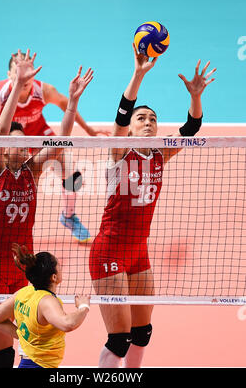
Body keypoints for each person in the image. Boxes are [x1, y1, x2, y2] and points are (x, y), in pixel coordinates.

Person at [89, 44, 216, 368]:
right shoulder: (119, 153)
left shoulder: (160, 155)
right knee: (119, 340)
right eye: (141, 118)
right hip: (109, 252)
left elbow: (191, 129)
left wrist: (196, 96)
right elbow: (120, 114)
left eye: (153, 119)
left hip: (138, 252)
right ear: (130, 127)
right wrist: (138, 73)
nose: (148, 122)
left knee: (142, 332)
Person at [0, 49, 93, 368]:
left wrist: (73, 101)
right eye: (12, 142)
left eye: (24, 142)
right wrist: (18, 84)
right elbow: (2, 128)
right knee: (5, 350)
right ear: (2, 146)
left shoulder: (32, 171)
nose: (20, 146)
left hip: (23, 265)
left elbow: (60, 141)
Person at [0, 51, 106, 241]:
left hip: (36, 137)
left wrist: (89, 130)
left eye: (28, 71)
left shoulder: (43, 91)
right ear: (9, 75)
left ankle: (69, 216)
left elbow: (65, 103)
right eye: (18, 71)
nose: (24, 76)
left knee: (73, 176)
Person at [0, 243, 90, 368]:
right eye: (59, 267)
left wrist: (23, 335)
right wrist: (83, 307)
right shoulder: (47, 301)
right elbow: (68, 324)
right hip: (39, 365)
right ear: (54, 277)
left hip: (27, 363)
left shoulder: (23, 292)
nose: (61, 268)